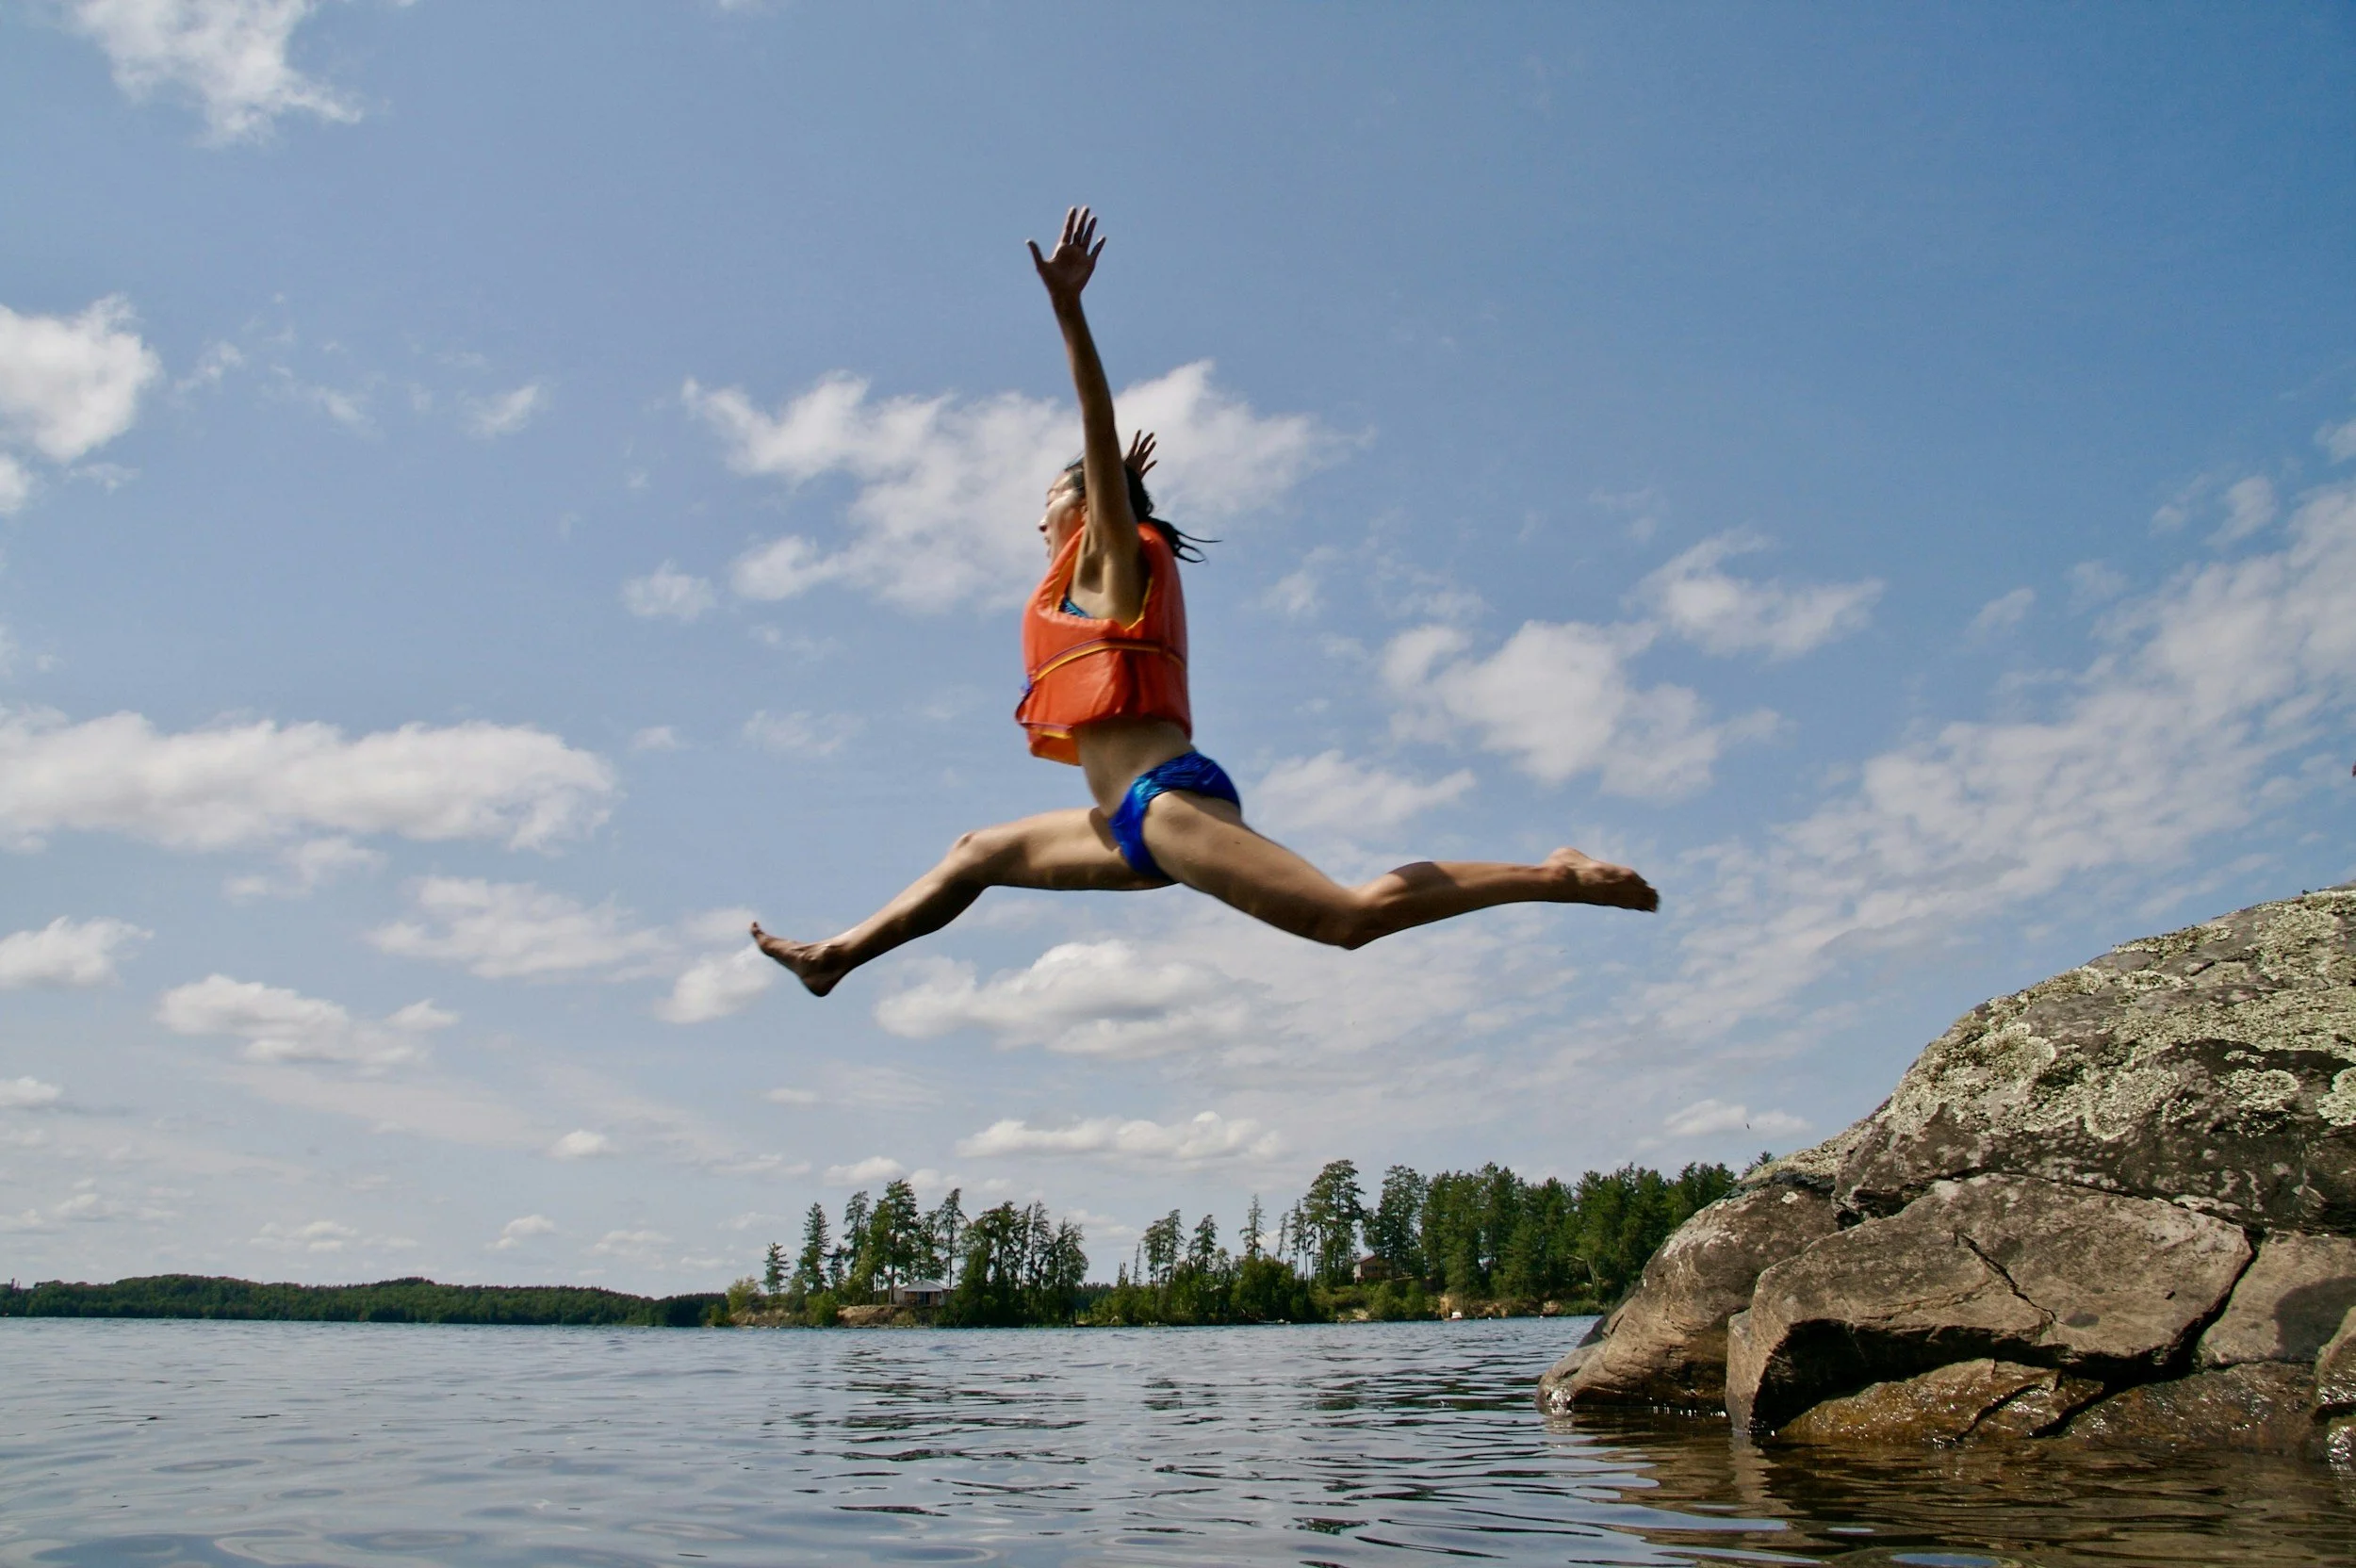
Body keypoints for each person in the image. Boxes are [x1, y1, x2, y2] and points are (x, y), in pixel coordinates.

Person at [753, 206, 1656, 997]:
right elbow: (1101, 481)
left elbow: (1094, 431)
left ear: (1084, 504)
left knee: (1348, 917)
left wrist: (1069, 311)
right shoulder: (1097, 561)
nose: (1037, 518)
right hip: (1119, 824)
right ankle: (835, 957)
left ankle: (1556, 874)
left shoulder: (1109, 548)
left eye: (1048, 500)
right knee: (975, 852)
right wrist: (1121, 487)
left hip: (1162, 804)